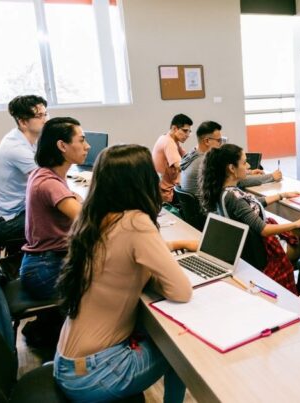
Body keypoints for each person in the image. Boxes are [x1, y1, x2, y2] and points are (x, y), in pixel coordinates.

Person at [54, 144, 196, 402]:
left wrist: (171, 249)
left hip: (69, 362)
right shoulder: (135, 222)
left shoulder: (93, 217)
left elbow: (120, 258)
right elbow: (181, 291)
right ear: (141, 182)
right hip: (95, 373)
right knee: (181, 350)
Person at [199, 144, 300, 294]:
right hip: (263, 253)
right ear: (232, 168)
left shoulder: (224, 191)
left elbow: (252, 206)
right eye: (244, 162)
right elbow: (264, 230)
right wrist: (296, 223)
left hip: (249, 250)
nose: (249, 166)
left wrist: (281, 195)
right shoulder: (233, 197)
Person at [20, 117, 88, 300]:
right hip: (45, 270)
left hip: (42, 263)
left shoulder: (45, 173)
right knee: (118, 279)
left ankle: (46, 324)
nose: (87, 146)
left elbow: (75, 201)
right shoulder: (50, 183)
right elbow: (88, 220)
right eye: (81, 140)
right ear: (62, 146)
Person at [0, 95, 48, 246]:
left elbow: (45, 169)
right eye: (39, 116)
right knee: (61, 217)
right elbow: (45, 182)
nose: (45, 119)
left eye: (45, 114)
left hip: (14, 211)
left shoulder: (24, 139)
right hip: (5, 224)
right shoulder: (16, 148)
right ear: (23, 122)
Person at [180, 121, 282, 196]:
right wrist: (272, 176)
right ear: (207, 141)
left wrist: (248, 172)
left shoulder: (192, 154)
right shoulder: (205, 162)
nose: (221, 145)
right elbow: (238, 181)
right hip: (208, 214)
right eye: (219, 141)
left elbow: (227, 175)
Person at [152, 113, 192, 203]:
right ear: (174, 128)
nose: (188, 134)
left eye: (189, 131)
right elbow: (180, 166)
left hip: (162, 190)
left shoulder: (168, 138)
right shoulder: (168, 142)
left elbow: (187, 157)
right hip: (167, 194)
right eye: (185, 131)